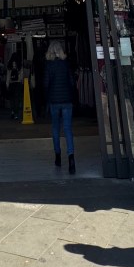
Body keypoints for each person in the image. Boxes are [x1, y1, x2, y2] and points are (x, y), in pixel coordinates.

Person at [44, 41, 76, 173]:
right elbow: (72, 82)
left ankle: (57, 156)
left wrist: (48, 97)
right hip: (67, 100)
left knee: (55, 128)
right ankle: (71, 158)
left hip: (54, 101)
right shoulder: (65, 64)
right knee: (68, 129)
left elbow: (45, 84)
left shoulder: (49, 66)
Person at [7, 53, 23, 120]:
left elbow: (8, 75)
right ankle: (16, 114)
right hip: (18, 83)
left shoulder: (9, 64)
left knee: (12, 99)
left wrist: (7, 83)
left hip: (11, 84)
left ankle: (12, 111)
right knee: (17, 99)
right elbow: (21, 76)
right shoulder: (19, 64)